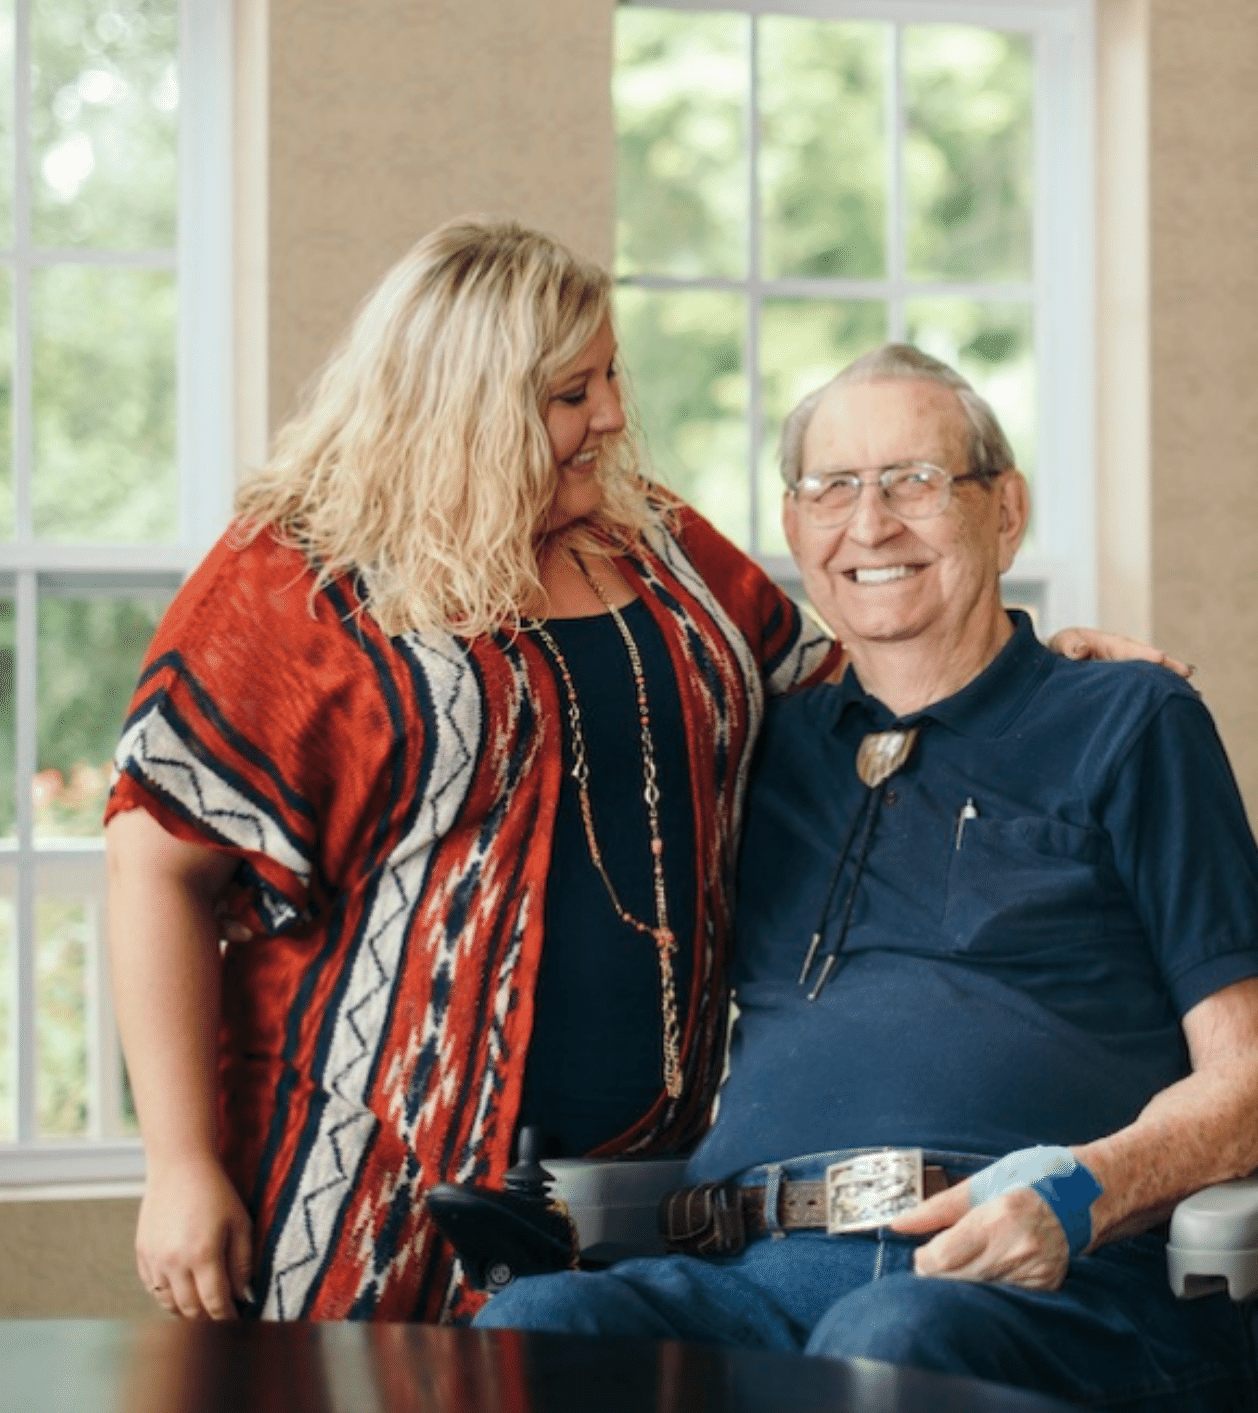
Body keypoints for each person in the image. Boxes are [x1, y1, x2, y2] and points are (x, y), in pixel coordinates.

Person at [104, 217, 1157, 1326]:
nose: (611, 415)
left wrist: (1038, 660)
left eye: (610, 376)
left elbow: (858, 672)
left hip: (639, 1200)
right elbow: (157, 865)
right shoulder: (298, 575)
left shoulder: (654, 546)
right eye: (572, 392)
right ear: (470, 397)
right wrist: (178, 1164)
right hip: (362, 1175)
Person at [475, 345, 1258, 1413]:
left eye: (916, 481)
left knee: (887, 1337)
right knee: (535, 1326)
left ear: (1005, 511)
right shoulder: (756, 749)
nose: (871, 526)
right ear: (794, 528)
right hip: (749, 1278)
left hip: (1042, 1276)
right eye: (833, 489)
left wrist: (1081, 1195)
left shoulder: (1130, 722)